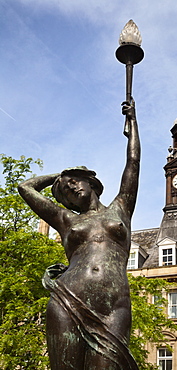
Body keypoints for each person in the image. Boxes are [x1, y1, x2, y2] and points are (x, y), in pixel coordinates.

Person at [18, 100, 140, 370]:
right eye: (65, 191)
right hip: (67, 299)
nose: (70, 187)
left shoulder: (121, 207)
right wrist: (57, 177)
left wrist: (133, 123)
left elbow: (133, 162)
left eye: (74, 180)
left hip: (114, 305)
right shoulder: (66, 219)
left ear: (91, 181)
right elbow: (25, 187)